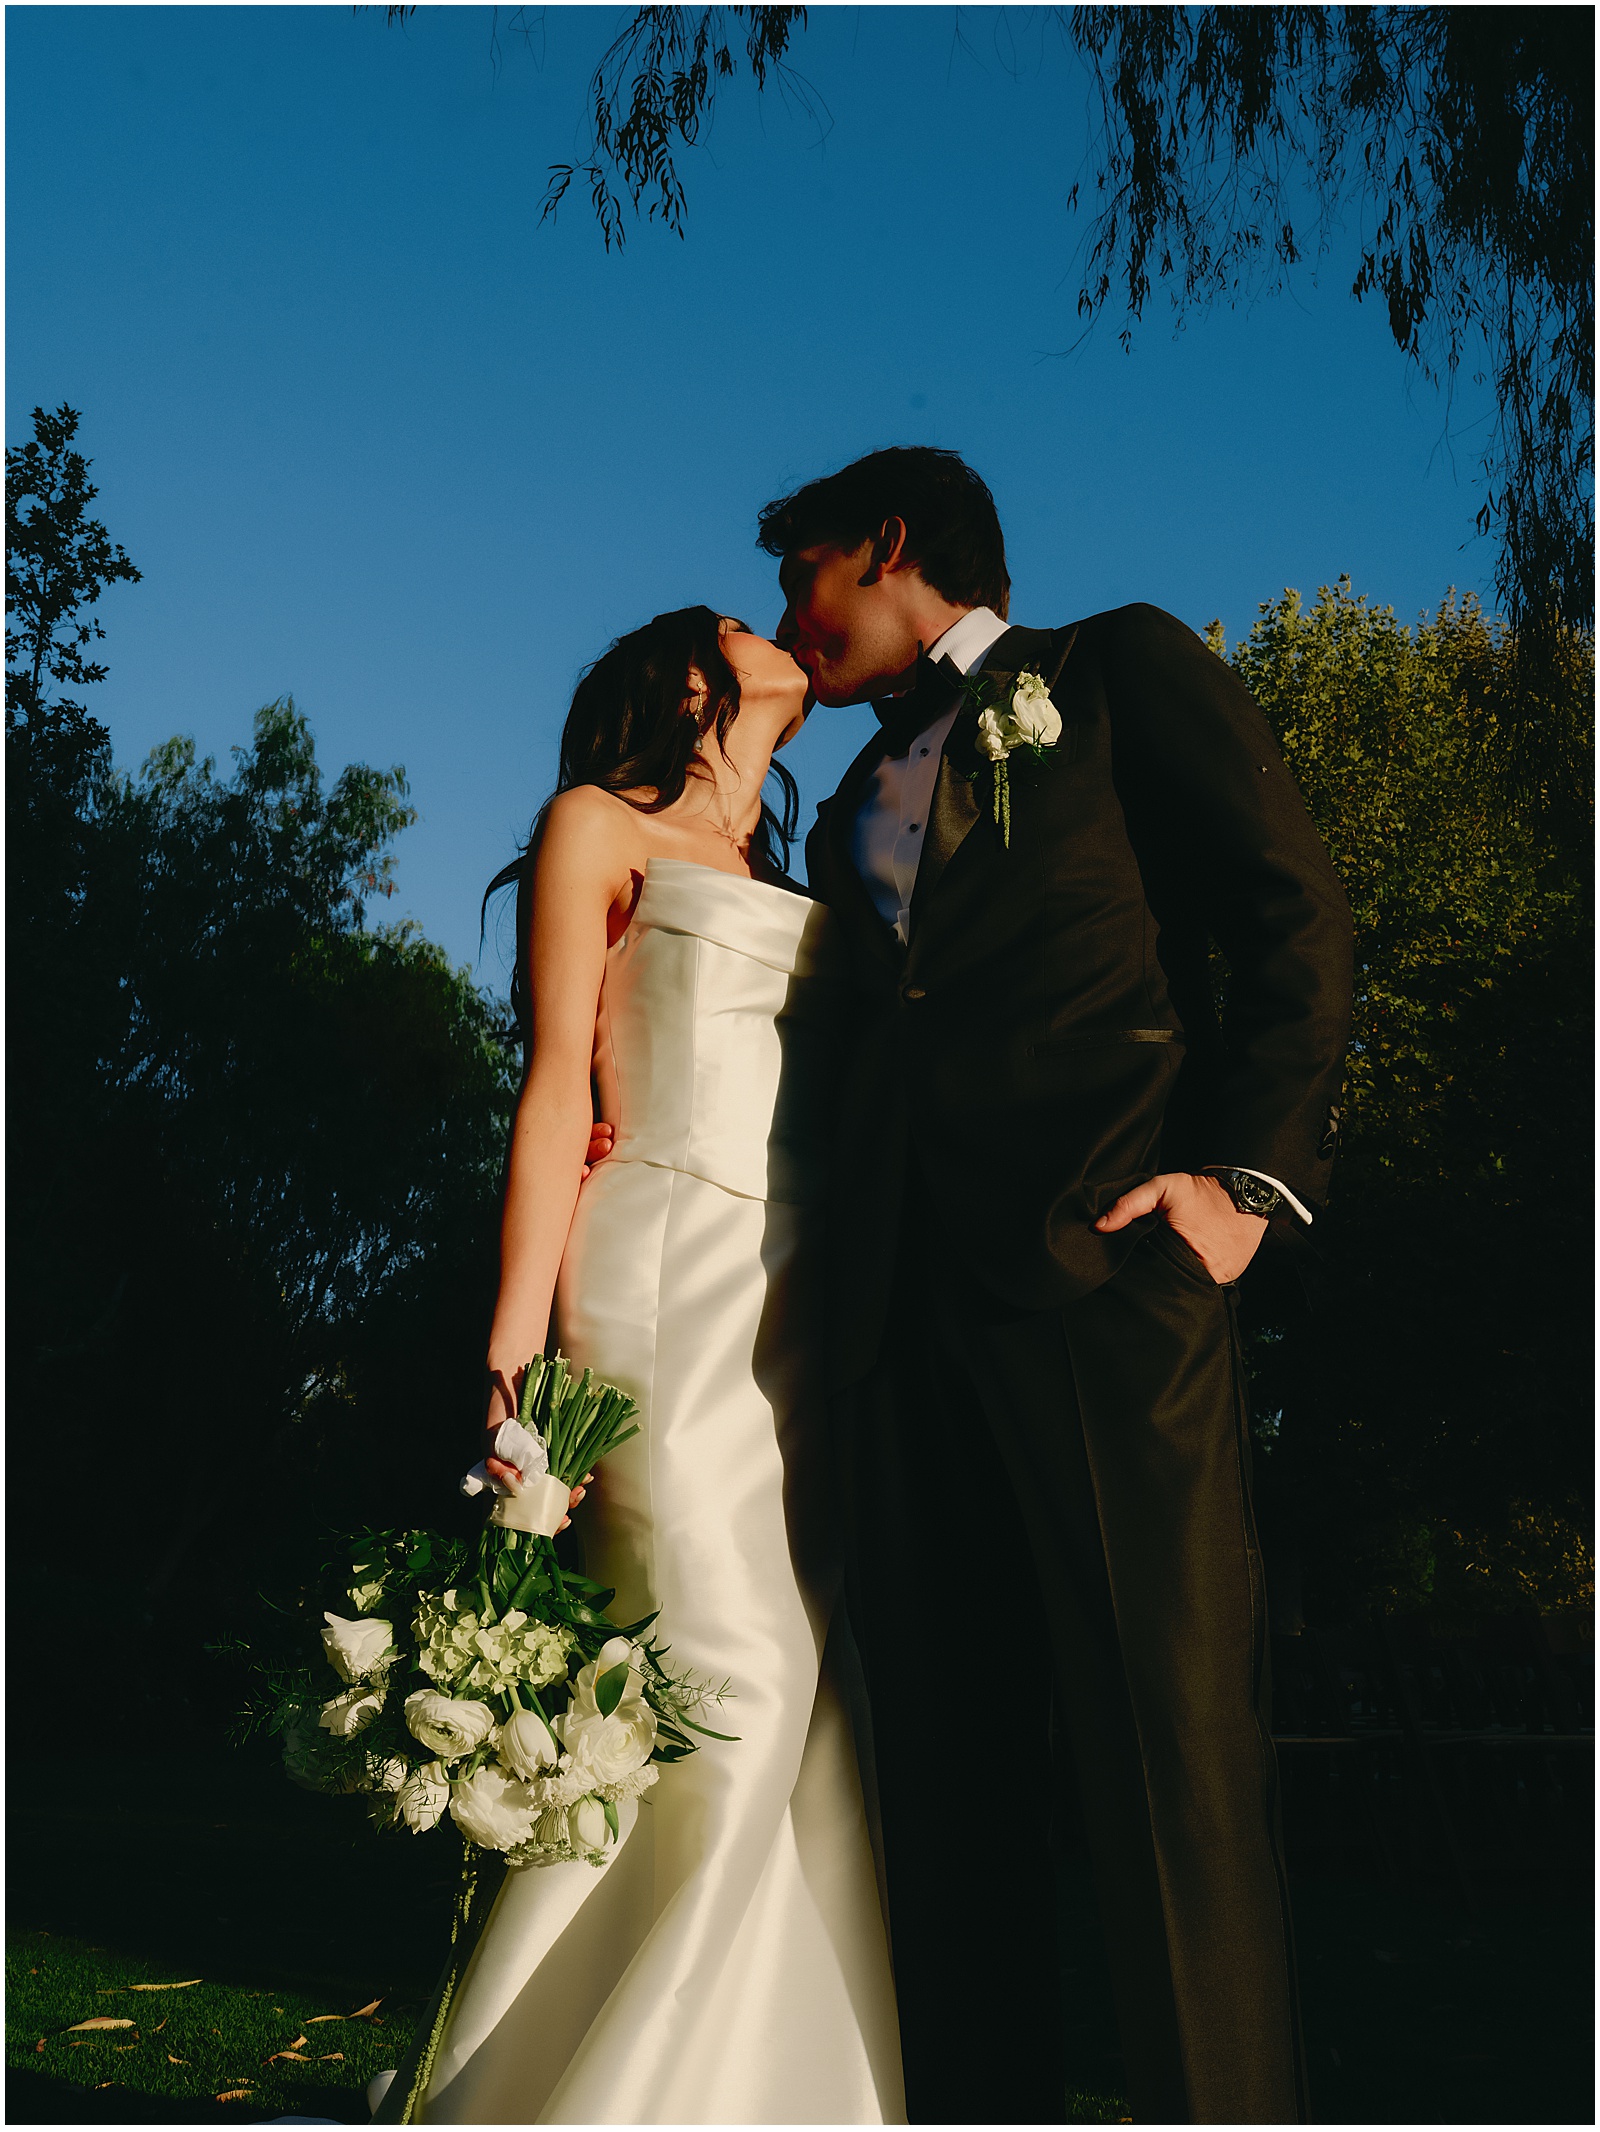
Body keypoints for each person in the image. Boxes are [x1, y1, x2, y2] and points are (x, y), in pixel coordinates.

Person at [761, 447, 1355, 2126]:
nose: (783, 621)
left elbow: (1293, 916)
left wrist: (1243, 1188)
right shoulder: (843, 802)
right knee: (944, 1797)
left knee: (1173, 1780)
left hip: (1111, 1294)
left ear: (888, 548)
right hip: (900, 1330)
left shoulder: (1109, 673)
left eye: (800, 576)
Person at [412, 606, 905, 2124]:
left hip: (802, 1301)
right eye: (749, 624)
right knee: (727, 1667)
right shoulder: (594, 826)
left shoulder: (794, 871)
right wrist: (514, 1373)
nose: (785, 633)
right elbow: (558, 1083)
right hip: (663, 1270)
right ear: (689, 679)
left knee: (801, 1681)